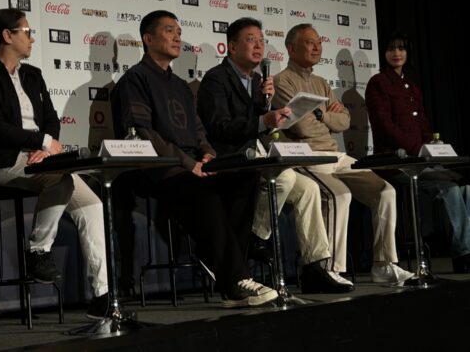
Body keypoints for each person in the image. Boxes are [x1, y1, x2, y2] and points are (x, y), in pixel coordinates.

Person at [111, 10, 277, 307]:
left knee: (245, 179)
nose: (177, 37)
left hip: (192, 164)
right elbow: (144, 134)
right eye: (169, 31)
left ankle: (230, 272)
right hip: (158, 168)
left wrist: (208, 153)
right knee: (203, 190)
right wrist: (190, 164)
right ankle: (236, 280)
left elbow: (198, 129)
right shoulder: (135, 79)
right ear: (148, 39)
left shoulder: (180, 84)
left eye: (179, 31)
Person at [0, 8, 109, 319]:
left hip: (41, 160)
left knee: (92, 204)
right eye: (27, 32)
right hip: (2, 161)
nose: (32, 39)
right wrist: (41, 142)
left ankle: (102, 296)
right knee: (60, 179)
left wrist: (47, 147)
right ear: (7, 35)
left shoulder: (33, 75)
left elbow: (51, 120)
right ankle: (39, 250)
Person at [196, 17, 352, 293]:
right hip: (229, 157)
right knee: (285, 178)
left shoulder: (259, 80)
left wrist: (269, 114)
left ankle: (314, 266)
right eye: (251, 40)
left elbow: (260, 127)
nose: (258, 46)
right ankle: (255, 238)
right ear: (232, 47)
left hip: (256, 155)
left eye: (261, 40)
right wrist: (263, 119)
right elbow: (219, 127)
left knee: (308, 189)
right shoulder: (216, 79)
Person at [273, 23, 413, 283]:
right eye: (310, 42)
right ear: (291, 48)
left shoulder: (321, 83)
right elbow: (301, 126)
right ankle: (329, 270)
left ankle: (384, 265)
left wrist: (320, 115)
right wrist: (326, 115)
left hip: (335, 155)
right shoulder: (282, 81)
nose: (317, 47)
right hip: (308, 157)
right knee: (340, 195)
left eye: (319, 42)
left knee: (385, 191)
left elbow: (344, 122)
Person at [365, 33, 470, 272]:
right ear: (384, 53)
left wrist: (433, 144)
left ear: (408, 53)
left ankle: (463, 250)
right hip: (396, 161)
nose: (397, 53)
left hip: (420, 159)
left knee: (465, 185)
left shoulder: (412, 87)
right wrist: (417, 149)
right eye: (391, 48)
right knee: (450, 187)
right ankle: (464, 253)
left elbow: (422, 124)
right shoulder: (379, 82)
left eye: (401, 48)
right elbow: (383, 125)